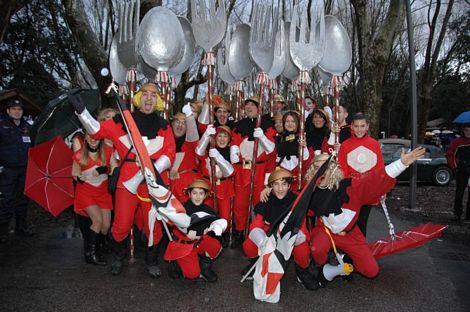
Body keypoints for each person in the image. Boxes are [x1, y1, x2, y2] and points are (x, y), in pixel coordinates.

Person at [71, 82, 176, 277]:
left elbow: (170, 153)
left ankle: (152, 261)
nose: (149, 98)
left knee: (154, 225)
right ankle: (118, 258)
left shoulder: (164, 126)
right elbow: (96, 130)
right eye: (145, 94)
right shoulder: (121, 121)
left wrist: (153, 169)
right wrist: (82, 112)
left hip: (152, 182)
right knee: (122, 223)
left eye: (154, 95)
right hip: (127, 180)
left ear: (158, 101)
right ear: (138, 98)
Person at [307, 147, 425, 285]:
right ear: (312, 170)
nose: (321, 173)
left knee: (371, 270)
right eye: (317, 168)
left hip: (349, 234)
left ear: (332, 170)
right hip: (325, 231)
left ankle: (343, 266)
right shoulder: (309, 192)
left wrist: (401, 164)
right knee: (317, 248)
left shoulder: (349, 186)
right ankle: (322, 267)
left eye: (325, 168)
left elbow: (372, 180)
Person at [241, 168, 319, 290]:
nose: (280, 188)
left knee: (302, 248)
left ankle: (302, 272)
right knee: (248, 245)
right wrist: (264, 243)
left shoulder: (297, 201)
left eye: (284, 184)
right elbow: (256, 226)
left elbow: (302, 230)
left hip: (289, 239)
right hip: (268, 237)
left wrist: (287, 240)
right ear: (271, 186)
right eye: (276, 184)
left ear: (289, 186)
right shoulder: (266, 200)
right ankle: (256, 265)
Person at [230, 96, 276, 247]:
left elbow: (270, 149)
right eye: (247, 105)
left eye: (252, 105)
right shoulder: (238, 126)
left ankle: (258, 230)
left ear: (259, 108)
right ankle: (239, 231)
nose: (249, 107)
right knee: (240, 203)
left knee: (259, 202)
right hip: (243, 168)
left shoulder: (268, 126)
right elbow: (235, 142)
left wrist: (261, 136)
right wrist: (234, 153)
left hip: (260, 169)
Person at [163, 180, 227, 282]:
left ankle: (205, 267)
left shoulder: (208, 209)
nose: (198, 197)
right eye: (194, 193)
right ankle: (175, 262)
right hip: (184, 244)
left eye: (201, 193)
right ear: (189, 194)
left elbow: (219, 222)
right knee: (193, 275)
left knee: (216, 246)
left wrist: (217, 226)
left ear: (205, 195)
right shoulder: (181, 208)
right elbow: (171, 221)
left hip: (200, 241)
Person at [72, 133, 116, 265]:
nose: (93, 140)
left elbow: (114, 168)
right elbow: (75, 173)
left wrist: (105, 169)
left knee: (106, 225)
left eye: (96, 137)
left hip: (103, 192)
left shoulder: (107, 151)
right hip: (86, 192)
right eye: (90, 137)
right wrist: (80, 177)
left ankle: (97, 248)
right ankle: (90, 254)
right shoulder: (79, 154)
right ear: (85, 138)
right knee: (97, 221)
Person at [338, 113, 384, 237]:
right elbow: (342, 170)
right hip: (351, 191)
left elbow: (379, 170)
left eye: (362, 126)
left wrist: (382, 191)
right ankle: (350, 252)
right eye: (356, 126)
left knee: (362, 222)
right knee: (350, 223)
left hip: (368, 191)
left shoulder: (374, 144)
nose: (359, 129)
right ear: (351, 127)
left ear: (367, 126)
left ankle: (360, 252)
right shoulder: (345, 145)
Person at [195, 125, 235, 246]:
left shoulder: (231, 153)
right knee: (206, 214)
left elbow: (231, 171)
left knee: (225, 215)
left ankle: (220, 235)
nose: (222, 139)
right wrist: (207, 135)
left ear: (229, 140)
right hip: (207, 187)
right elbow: (198, 152)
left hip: (223, 186)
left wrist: (218, 157)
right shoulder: (207, 151)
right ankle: (206, 237)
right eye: (219, 136)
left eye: (225, 136)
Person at [0, 98, 33, 242]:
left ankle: (21, 227)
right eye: (13, 109)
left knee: (23, 200)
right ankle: (3, 230)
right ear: (8, 111)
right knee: (7, 200)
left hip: (24, 169)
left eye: (19, 109)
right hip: (7, 170)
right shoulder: (2, 126)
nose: (17, 111)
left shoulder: (27, 127)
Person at [169, 105, 201, 203]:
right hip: (170, 189)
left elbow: (193, 134)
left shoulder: (189, 144)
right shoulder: (166, 142)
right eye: (177, 122)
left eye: (184, 123)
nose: (180, 125)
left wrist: (190, 117)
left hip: (187, 188)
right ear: (172, 124)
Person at [272, 111, 310, 192]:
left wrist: (304, 146)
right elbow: (276, 158)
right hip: (283, 172)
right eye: (287, 121)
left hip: (298, 173)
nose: (290, 124)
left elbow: (306, 158)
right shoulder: (279, 138)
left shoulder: (302, 137)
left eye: (293, 121)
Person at [446, 125, 470, 221]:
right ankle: (457, 214)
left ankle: (469, 216)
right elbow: (449, 155)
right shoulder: (457, 142)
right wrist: (456, 165)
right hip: (462, 171)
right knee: (459, 193)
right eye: (467, 130)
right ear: (463, 131)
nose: (468, 132)